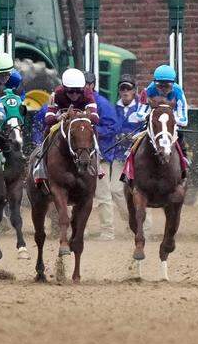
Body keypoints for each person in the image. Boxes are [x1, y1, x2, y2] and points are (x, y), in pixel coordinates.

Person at [30, 68, 101, 186]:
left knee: (92, 129)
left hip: (80, 120)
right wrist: (58, 117)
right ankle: (42, 161)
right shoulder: (56, 94)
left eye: (78, 91)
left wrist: (81, 115)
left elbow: (96, 118)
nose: (74, 94)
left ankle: (96, 160)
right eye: (70, 91)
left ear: (83, 89)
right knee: (49, 129)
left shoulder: (88, 94)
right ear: (64, 88)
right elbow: (48, 119)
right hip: (62, 119)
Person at [96, 76, 142, 240]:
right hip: (119, 155)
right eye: (122, 88)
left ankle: (144, 226)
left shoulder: (141, 108)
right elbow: (112, 126)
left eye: (128, 88)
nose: (125, 91)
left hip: (137, 156)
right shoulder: (113, 108)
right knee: (116, 190)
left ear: (134, 90)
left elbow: (146, 128)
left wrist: (133, 136)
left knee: (139, 191)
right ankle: (133, 220)